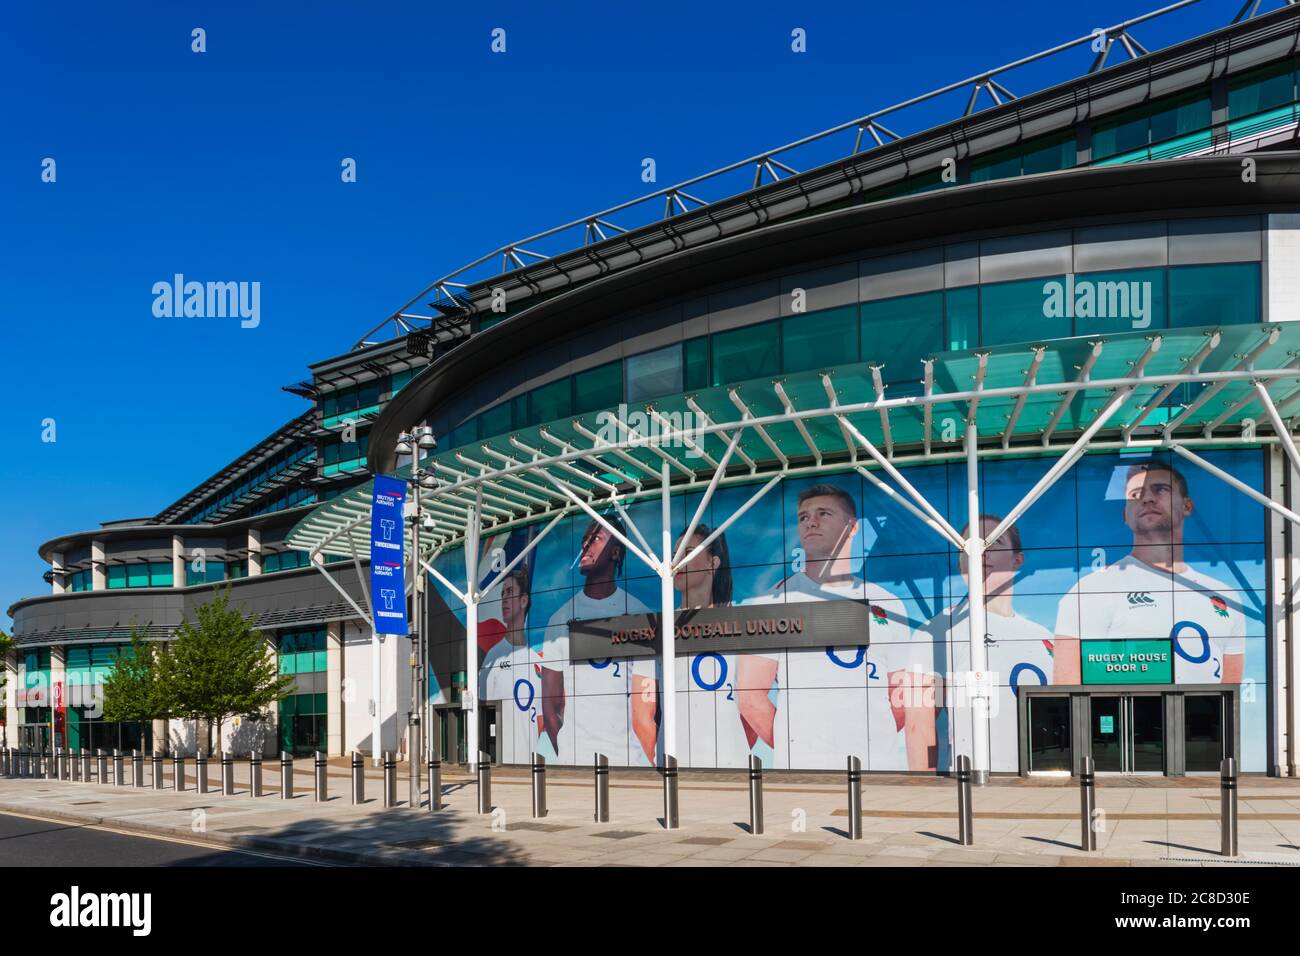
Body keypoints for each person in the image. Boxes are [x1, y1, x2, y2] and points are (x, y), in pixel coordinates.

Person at [743, 482, 919, 770]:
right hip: (805, 774)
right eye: (804, 516)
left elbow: (899, 696)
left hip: (876, 770)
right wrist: (797, 749)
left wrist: (874, 741)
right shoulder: (773, 602)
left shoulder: (887, 603)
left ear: (852, 527)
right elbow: (750, 697)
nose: (811, 522)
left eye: (823, 513)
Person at [1053, 461, 1245, 685]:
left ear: (1187, 506)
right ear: (1125, 515)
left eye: (1160, 489)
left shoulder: (1225, 595)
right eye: (1135, 495)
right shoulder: (1091, 590)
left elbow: (1230, 695)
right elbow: (1068, 688)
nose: (1147, 499)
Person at [912, 515, 1054, 772]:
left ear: (1017, 559)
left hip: (1040, 774)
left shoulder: (1043, 637)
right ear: (960, 562)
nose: (980, 552)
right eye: (969, 545)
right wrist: (923, 785)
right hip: (968, 780)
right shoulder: (937, 630)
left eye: (993, 542)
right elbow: (919, 727)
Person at [536, 514, 652, 764]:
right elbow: (550, 707)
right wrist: (568, 754)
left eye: (596, 539)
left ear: (616, 552)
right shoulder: (560, 618)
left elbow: (648, 708)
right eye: (585, 540)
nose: (586, 546)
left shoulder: (639, 614)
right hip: (575, 761)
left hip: (627, 762)